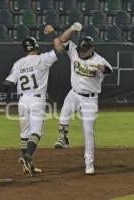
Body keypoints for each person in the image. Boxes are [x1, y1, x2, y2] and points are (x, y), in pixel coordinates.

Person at [0, 30, 61, 176]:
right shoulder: (42, 59)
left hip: (22, 100)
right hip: (37, 100)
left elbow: (8, 82)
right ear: (36, 47)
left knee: (24, 133)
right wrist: (54, 34)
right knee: (37, 132)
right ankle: (27, 157)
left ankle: (27, 166)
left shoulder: (19, 63)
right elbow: (59, 48)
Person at [48, 23, 113, 175]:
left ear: (91, 49)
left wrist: (99, 67)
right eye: (80, 50)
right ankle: (63, 139)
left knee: (88, 132)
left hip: (90, 99)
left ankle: (89, 164)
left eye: (84, 50)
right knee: (64, 111)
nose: (81, 52)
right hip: (75, 93)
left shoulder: (99, 59)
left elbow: (109, 70)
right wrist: (72, 29)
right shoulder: (75, 51)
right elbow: (62, 41)